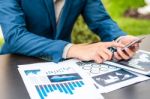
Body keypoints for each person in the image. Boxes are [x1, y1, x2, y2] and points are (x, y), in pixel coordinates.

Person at [0, 0, 139, 63]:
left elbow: (101, 20)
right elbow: (15, 36)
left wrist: (120, 39)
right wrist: (71, 49)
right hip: (16, 62)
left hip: (64, 63)